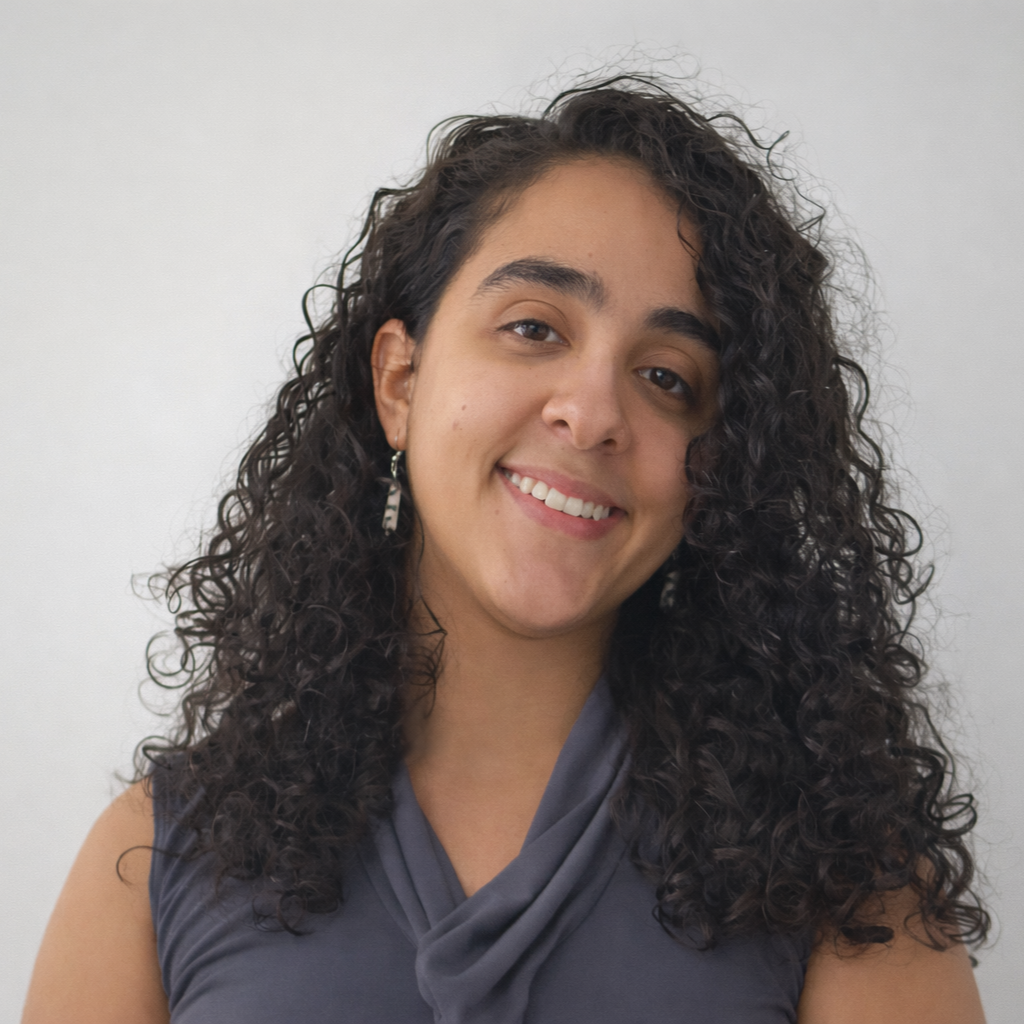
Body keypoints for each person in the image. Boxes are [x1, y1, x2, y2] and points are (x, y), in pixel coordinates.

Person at [23, 75, 989, 1023]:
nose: (594, 413)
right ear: (400, 383)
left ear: (722, 470)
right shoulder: (153, 858)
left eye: (666, 377)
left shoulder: (850, 881)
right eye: (533, 328)